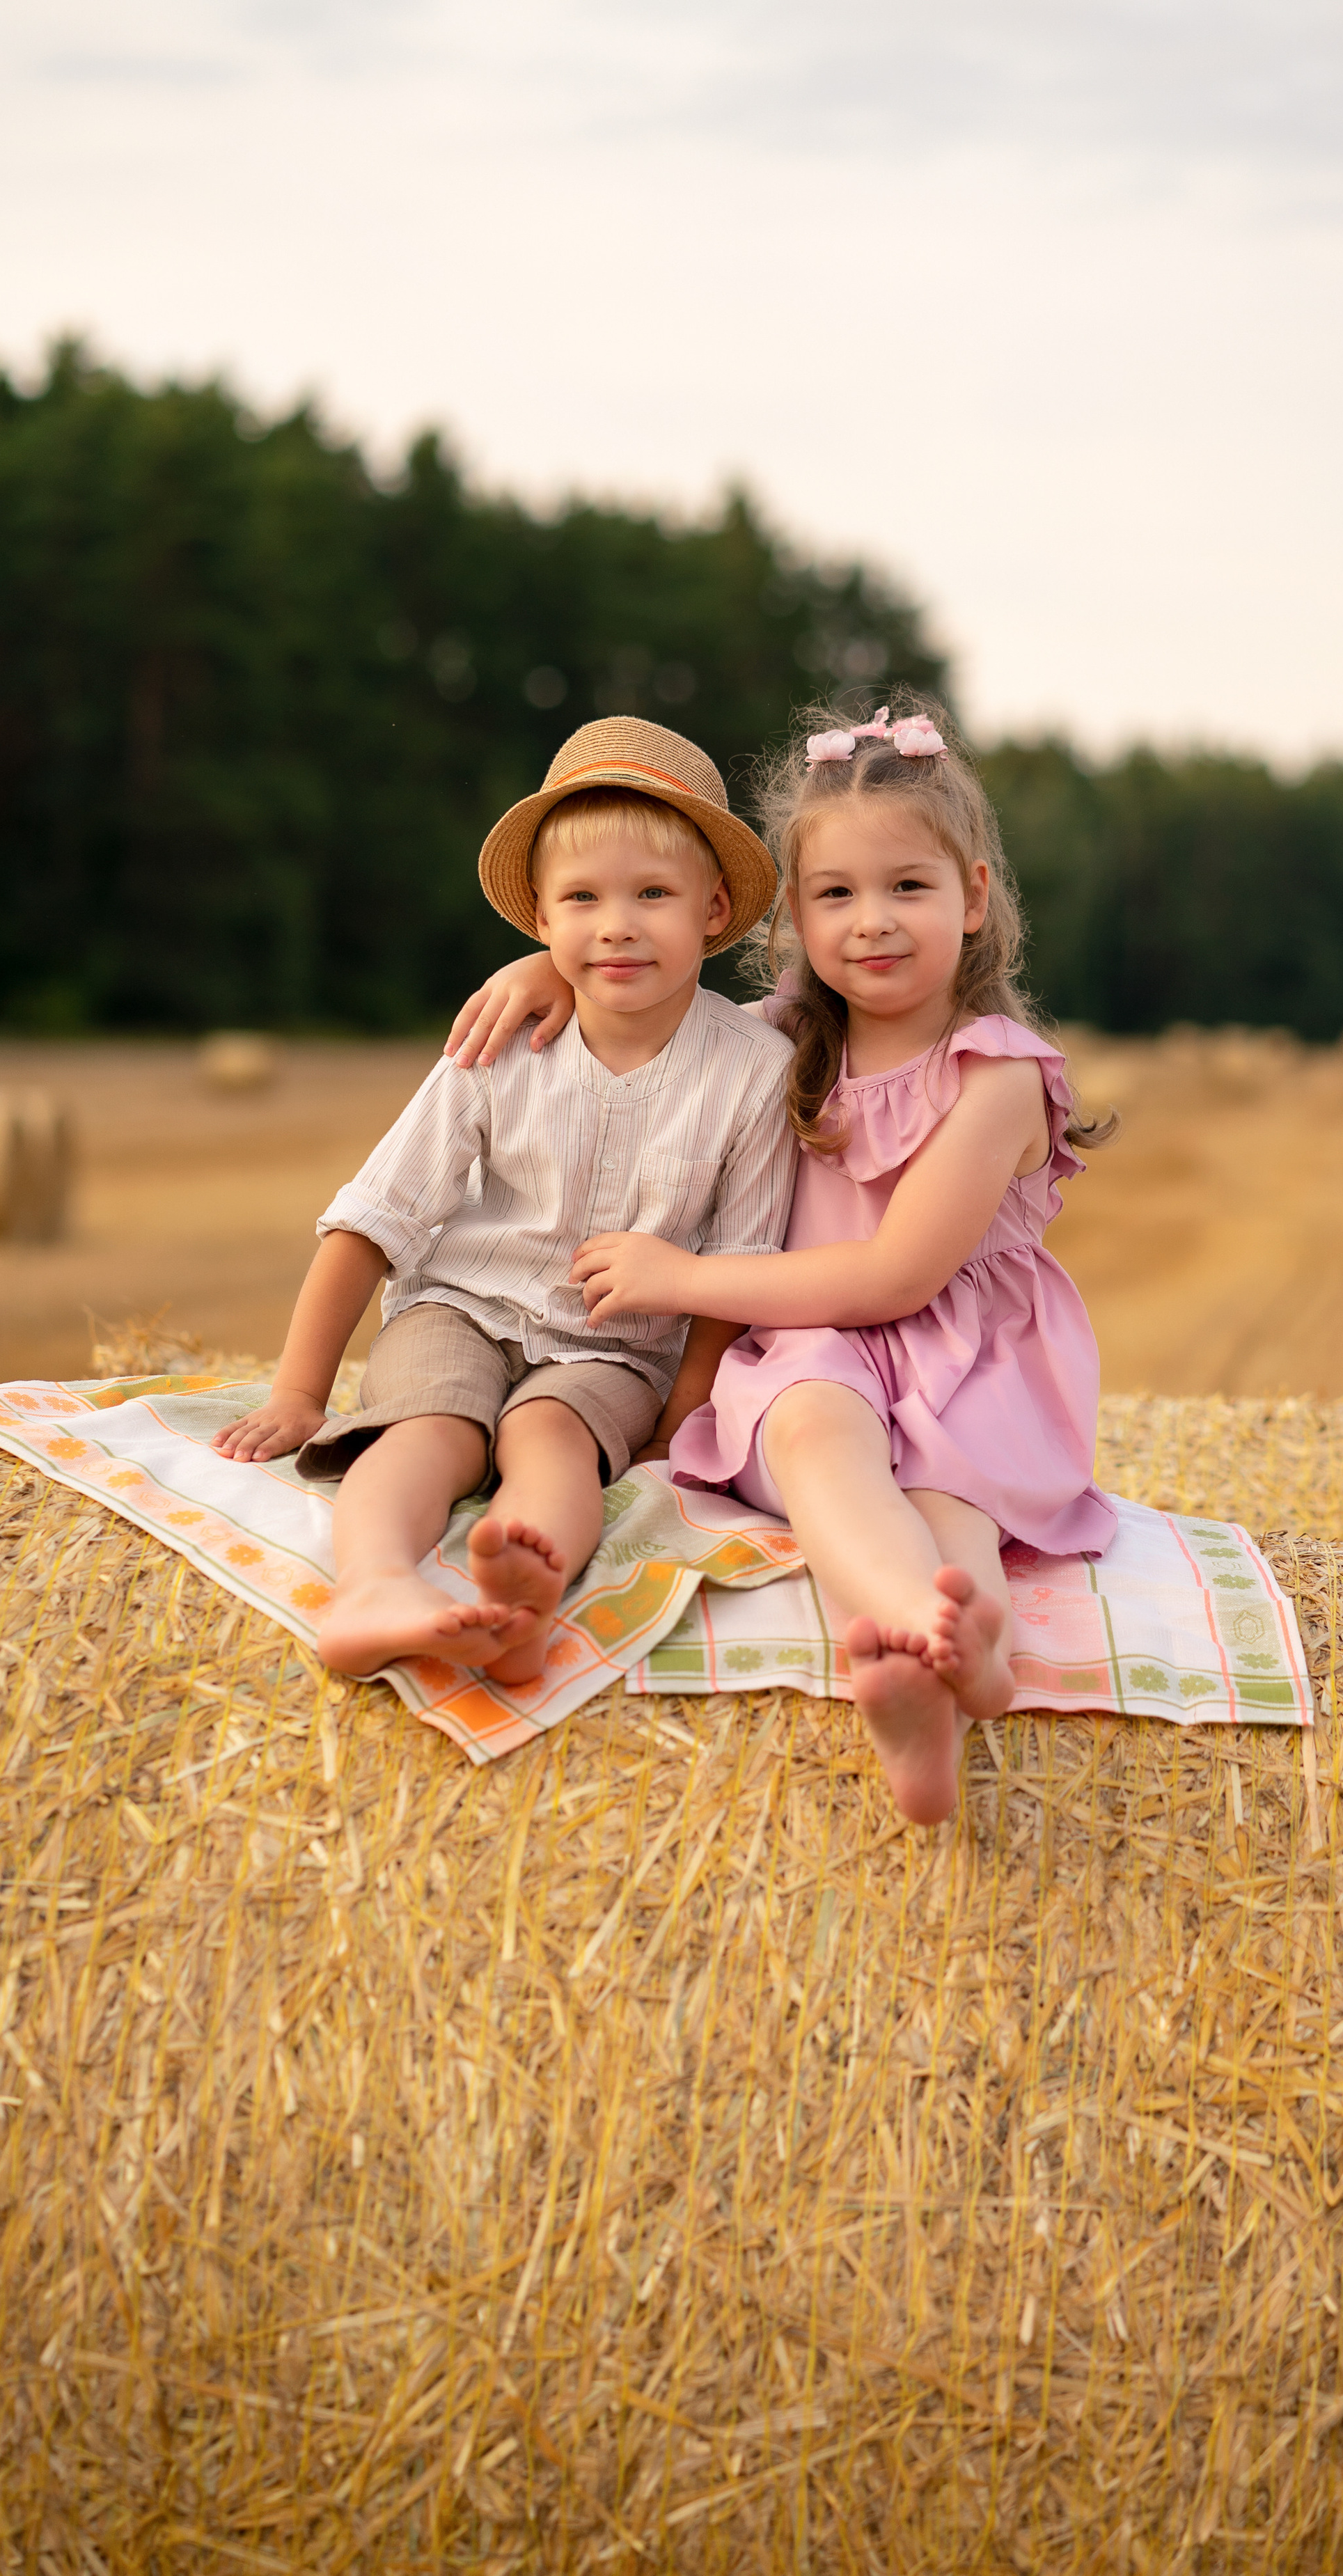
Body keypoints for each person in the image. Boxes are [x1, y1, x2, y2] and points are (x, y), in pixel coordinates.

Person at [446, 698, 1115, 1822]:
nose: (873, 922)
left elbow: (896, 1278)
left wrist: (682, 1279)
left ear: (977, 898)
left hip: (966, 1360)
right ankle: (907, 1647)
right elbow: (645, 995)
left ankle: (962, 1658)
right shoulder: (784, 1033)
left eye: (910, 887)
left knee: (952, 1513)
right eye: (836, 894)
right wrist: (548, 977)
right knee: (813, 1433)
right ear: (792, 917)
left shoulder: (996, 1078)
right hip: (817, 1350)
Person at [212, 716, 796, 1685]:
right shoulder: (500, 1041)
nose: (615, 924)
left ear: (714, 908)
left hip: (615, 1347)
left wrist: (675, 1427)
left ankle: (528, 1591)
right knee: (428, 1431)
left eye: (653, 894)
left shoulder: (754, 1073)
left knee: (551, 1438)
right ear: (540, 919)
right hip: (462, 1306)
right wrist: (298, 1392)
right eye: (583, 899)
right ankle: (373, 1588)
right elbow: (374, 1219)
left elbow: (734, 1276)